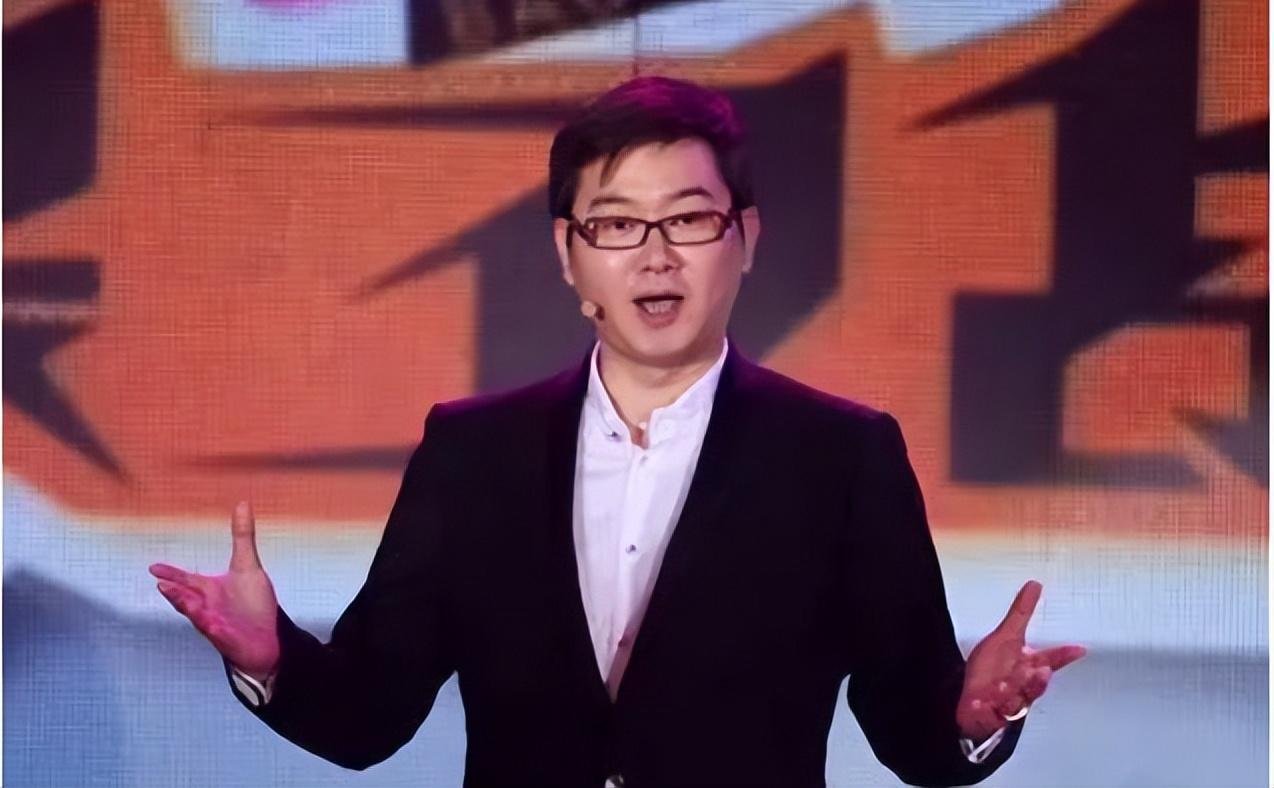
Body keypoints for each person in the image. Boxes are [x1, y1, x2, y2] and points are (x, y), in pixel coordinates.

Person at [150, 76, 1085, 787]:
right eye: (616, 225)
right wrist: (273, 660)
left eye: (689, 219)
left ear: (746, 239)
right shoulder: (474, 455)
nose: (656, 256)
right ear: (569, 253)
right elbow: (368, 714)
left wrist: (971, 718)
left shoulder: (841, 459)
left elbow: (911, 724)